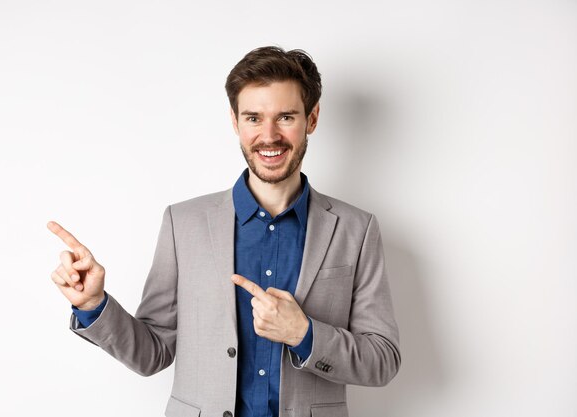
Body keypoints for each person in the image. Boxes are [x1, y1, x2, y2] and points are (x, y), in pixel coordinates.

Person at [48, 46, 401, 417]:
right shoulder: (181, 223)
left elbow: (383, 359)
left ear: (311, 119)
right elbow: (152, 354)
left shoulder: (356, 229)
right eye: (253, 118)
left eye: (285, 117)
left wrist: (303, 334)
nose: (269, 135)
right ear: (235, 122)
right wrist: (92, 305)